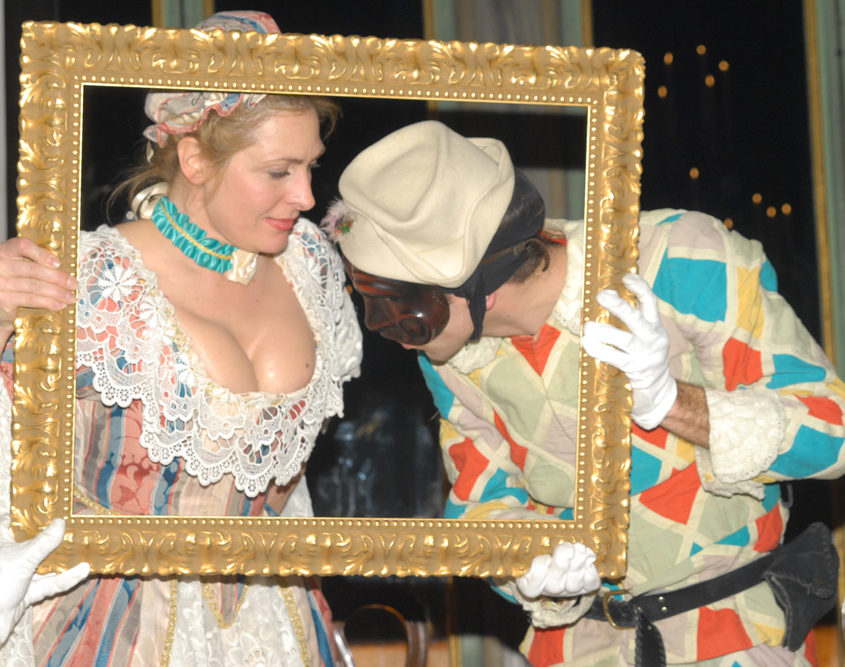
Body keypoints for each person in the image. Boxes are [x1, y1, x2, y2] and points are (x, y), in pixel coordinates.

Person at [323, 119, 845, 666]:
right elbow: (481, 503)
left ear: (477, 288)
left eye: (398, 304)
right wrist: (529, 562)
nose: (382, 328)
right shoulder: (450, 356)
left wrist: (672, 402)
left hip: (734, 640)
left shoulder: (679, 259)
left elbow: (831, 432)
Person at [0, 10, 362, 666]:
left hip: (276, 621)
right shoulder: (92, 278)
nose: (307, 195)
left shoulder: (309, 263)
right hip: (112, 629)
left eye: (311, 166)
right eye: (279, 171)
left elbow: (293, 486)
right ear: (194, 158)